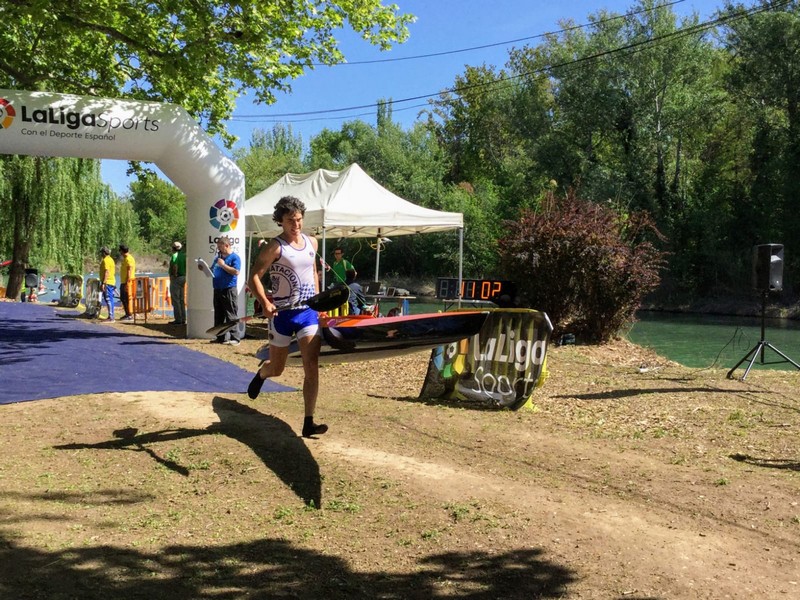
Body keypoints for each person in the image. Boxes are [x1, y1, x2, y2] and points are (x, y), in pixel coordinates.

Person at [246, 195, 327, 438]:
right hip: (281, 316)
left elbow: (313, 271)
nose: (296, 225)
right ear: (281, 221)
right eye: (291, 220)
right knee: (277, 369)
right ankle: (262, 373)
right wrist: (265, 302)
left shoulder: (312, 242)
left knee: (311, 366)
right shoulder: (275, 247)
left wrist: (319, 299)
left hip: (307, 314)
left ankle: (308, 421)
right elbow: (253, 278)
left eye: (299, 220)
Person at [211, 236, 241, 346]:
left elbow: (236, 272)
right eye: (217, 247)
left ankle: (235, 337)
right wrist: (203, 268)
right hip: (217, 288)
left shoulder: (234, 258)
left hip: (229, 289)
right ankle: (220, 337)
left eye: (220, 246)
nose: (218, 249)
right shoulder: (217, 258)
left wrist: (223, 265)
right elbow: (212, 269)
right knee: (219, 314)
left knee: (231, 313)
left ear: (226, 245)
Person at [169, 241, 187, 325]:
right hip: (183, 277)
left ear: (173, 248)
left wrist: (174, 275)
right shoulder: (184, 256)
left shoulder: (174, 256)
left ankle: (178, 319)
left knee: (175, 299)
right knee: (181, 299)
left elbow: (175, 266)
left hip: (177, 278)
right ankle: (183, 318)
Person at [118, 243, 136, 321]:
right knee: (123, 298)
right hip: (123, 281)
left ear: (122, 251)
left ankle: (129, 315)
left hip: (127, 282)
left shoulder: (129, 259)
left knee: (126, 298)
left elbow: (129, 271)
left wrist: (127, 282)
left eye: (120, 251)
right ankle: (127, 314)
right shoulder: (125, 258)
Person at [99, 246, 116, 322]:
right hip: (111, 281)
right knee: (110, 299)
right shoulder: (111, 260)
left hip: (108, 282)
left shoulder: (106, 260)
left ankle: (111, 317)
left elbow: (107, 272)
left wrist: (103, 283)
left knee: (108, 299)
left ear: (104, 253)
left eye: (101, 253)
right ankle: (111, 316)